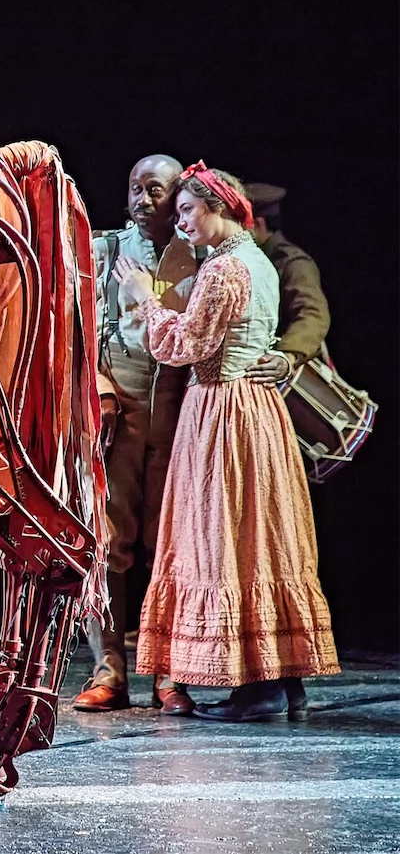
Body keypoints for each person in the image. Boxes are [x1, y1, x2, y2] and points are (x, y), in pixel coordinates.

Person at [119, 163, 339, 722]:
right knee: (257, 536)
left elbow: (183, 345)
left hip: (224, 410)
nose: (181, 222)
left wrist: (144, 298)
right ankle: (283, 679)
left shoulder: (224, 269)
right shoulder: (257, 261)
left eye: (188, 210)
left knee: (226, 537)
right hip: (255, 409)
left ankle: (256, 688)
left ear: (217, 208)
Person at [74, 155, 198, 715]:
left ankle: (171, 674)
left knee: (170, 543)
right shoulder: (105, 249)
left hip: (177, 406)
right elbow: (77, 330)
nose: (143, 200)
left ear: (177, 196)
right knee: (108, 540)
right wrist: (98, 389)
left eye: (155, 190)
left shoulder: (200, 253)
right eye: (135, 188)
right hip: (119, 406)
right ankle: (109, 670)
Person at [243, 182, 331, 383]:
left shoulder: (293, 263)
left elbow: (312, 314)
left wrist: (288, 355)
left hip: (283, 374)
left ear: (257, 223)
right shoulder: (246, 258)